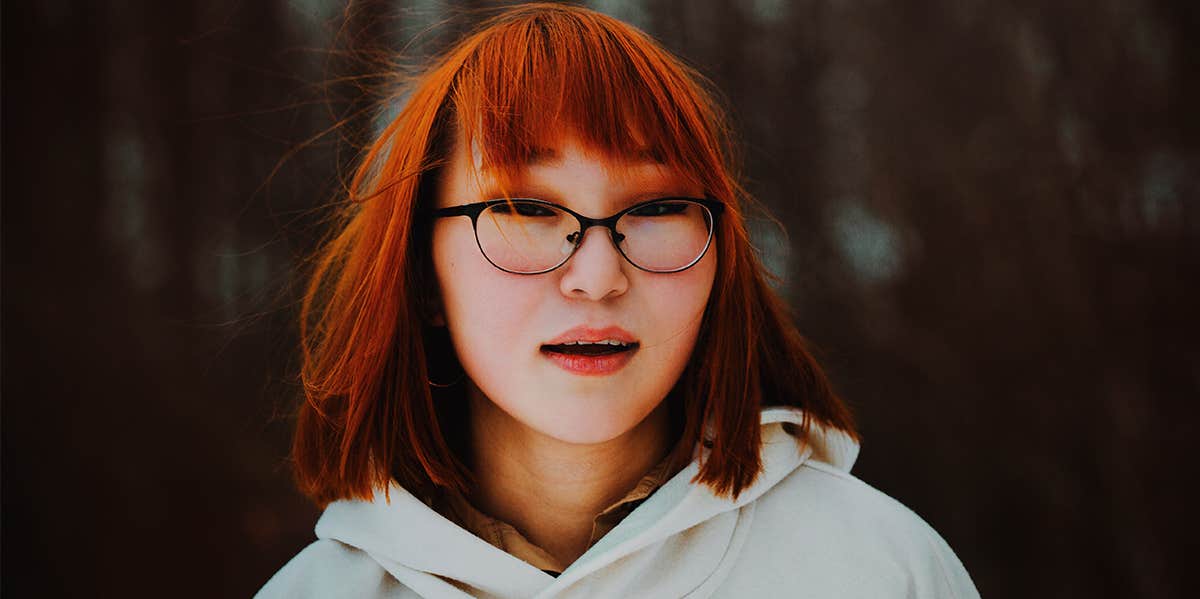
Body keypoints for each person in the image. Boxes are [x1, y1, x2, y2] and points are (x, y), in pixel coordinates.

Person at [258, 3, 980, 597]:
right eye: (526, 208)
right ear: (421, 276)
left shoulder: (879, 571)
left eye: (658, 207)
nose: (598, 275)